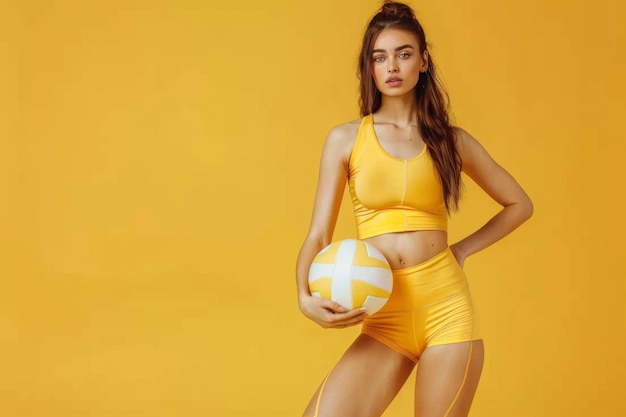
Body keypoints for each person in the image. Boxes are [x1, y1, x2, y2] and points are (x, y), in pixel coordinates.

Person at [295, 1, 533, 416]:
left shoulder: (451, 141)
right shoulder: (345, 139)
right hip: (384, 317)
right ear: (369, 67)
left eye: (404, 54)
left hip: (447, 310)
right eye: (380, 56)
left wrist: (460, 251)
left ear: (423, 61)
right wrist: (303, 297)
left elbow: (519, 204)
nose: (392, 66)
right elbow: (318, 235)